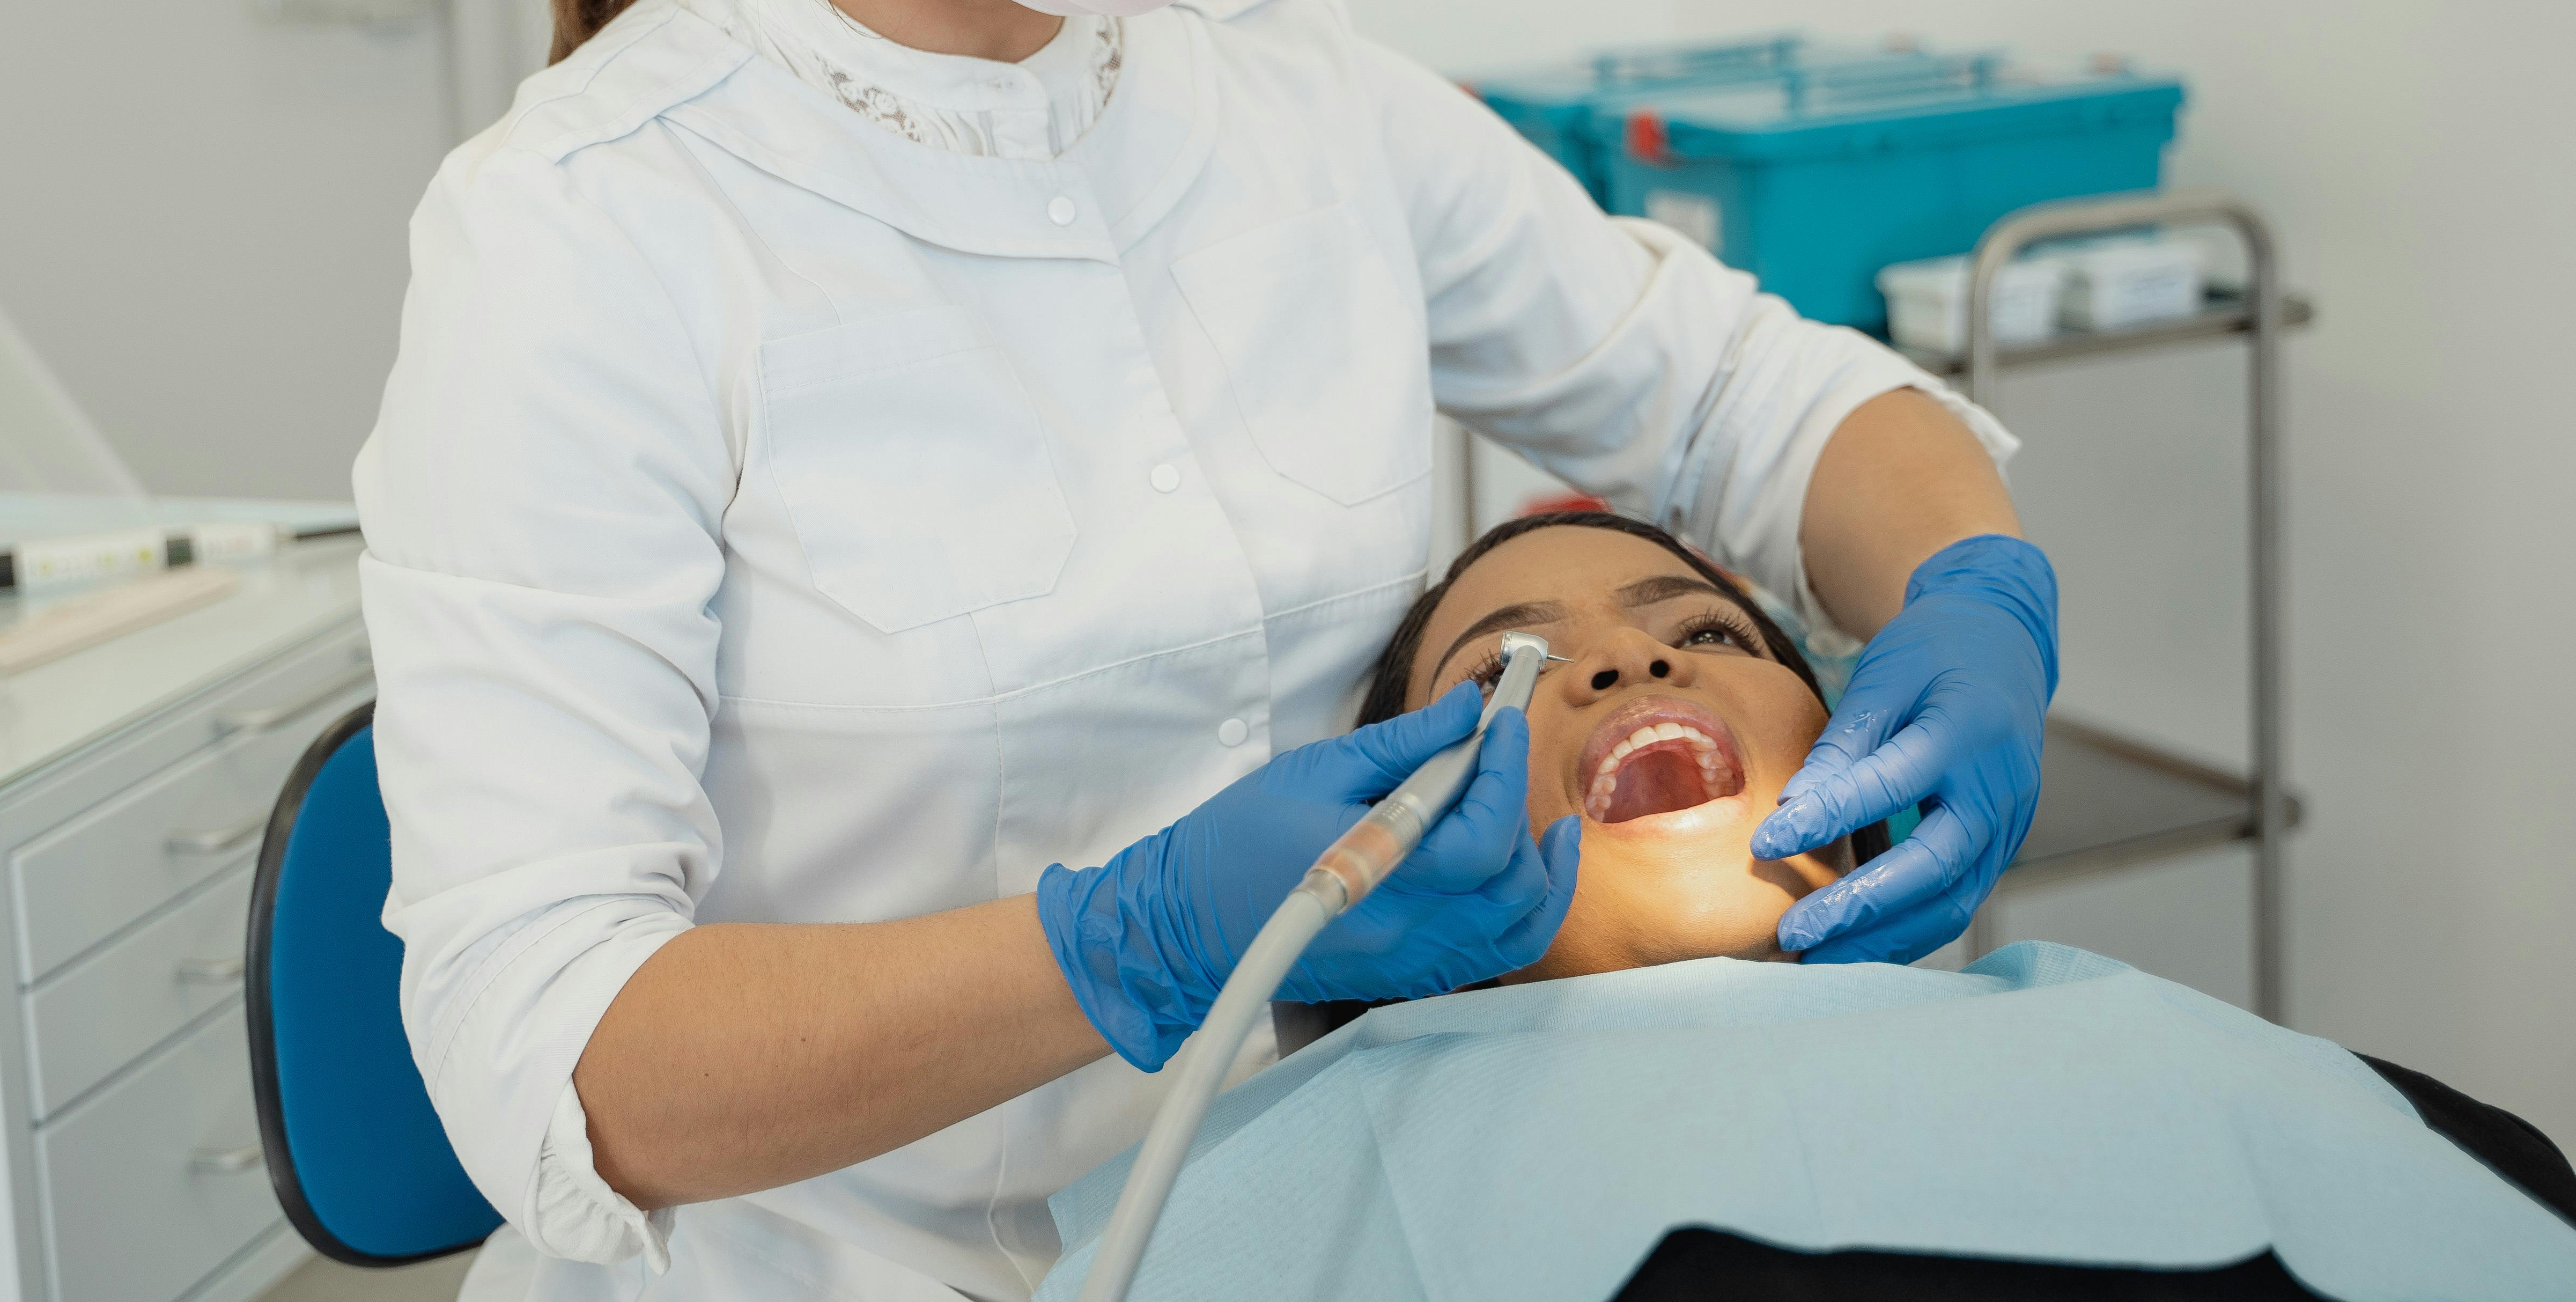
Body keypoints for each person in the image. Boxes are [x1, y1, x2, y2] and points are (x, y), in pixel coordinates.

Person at [355, 0, 2056, 1300]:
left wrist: (1975, 598)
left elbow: (1747, 394)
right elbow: (561, 1060)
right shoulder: (586, 243)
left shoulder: (1279, 79)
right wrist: (1131, 941)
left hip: (1312, 1230)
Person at [1041, 513, 2576, 1302]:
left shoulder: (2361, 1112)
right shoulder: (1256, 1219)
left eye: (1703, 628)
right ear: (1390, 843)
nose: (1630, 668)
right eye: (1505, 671)